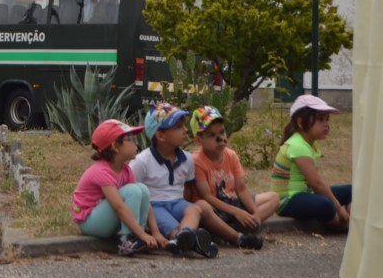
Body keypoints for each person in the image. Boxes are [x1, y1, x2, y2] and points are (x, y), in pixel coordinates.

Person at [130, 102, 218, 258]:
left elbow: (187, 189)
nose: (185, 130)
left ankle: (184, 238)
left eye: (184, 126)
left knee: (194, 209)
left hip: (178, 203)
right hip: (155, 206)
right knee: (173, 226)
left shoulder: (188, 159)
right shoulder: (142, 161)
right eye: (178, 127)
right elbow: (133, 193)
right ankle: (187, 240)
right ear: (161, 136)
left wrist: (183, 208)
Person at [189, 105, 276, 249]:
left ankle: (237, 228)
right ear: (199, 140)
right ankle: (237, 237)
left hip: (229, 204)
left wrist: (254, 213)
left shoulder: (231, 155)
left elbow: (241, 188)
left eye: (222, 132)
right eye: (211, 135)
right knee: (202, 207)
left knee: (273, 198)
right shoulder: (197, 161)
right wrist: (237, 212)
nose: (220, 138)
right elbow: (207, 196)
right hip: (213, 209)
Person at [72, 119, 158, 256]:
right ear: (115, 146)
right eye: (130, 139)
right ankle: (127, 238)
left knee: (142, 189)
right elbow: (119, 207)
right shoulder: (102, 171)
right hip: (90, 222)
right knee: (133, 190)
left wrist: (155, 232)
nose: (136, 143)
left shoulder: (125, 170)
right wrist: (141, 234)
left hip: (105, 218)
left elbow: (145, 201)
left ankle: (137, 237)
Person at [271, 94, 352, 231]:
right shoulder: (297, 145)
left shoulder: (311, 145)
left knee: (352, 190)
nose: (326, 124)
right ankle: (341, 224)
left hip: (305, 193)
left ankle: (352, 222)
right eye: (320, 119)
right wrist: (338, 208)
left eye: (327, 119)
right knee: (325, 204)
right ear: (301, 122)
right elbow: (316, 183)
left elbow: (315, 183)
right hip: (287, 200)